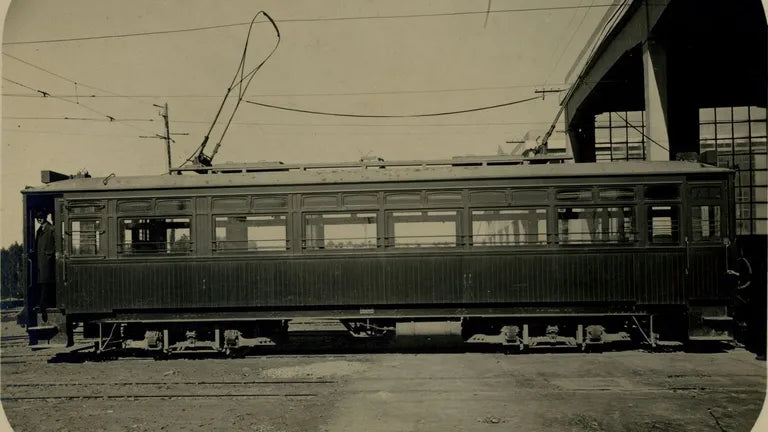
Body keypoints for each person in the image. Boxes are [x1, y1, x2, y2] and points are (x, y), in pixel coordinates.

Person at [34, 210, 55, 321]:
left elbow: (59, 243)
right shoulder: (39, 231)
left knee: (46, 284)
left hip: (48, 262)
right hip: (41, 262)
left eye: (41, 217)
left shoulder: (51, 229)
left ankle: (44, 306)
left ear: (45, 217)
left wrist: (50, 254)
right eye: (38, 218)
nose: (39, 219)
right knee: (43, 283)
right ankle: (43, 306)